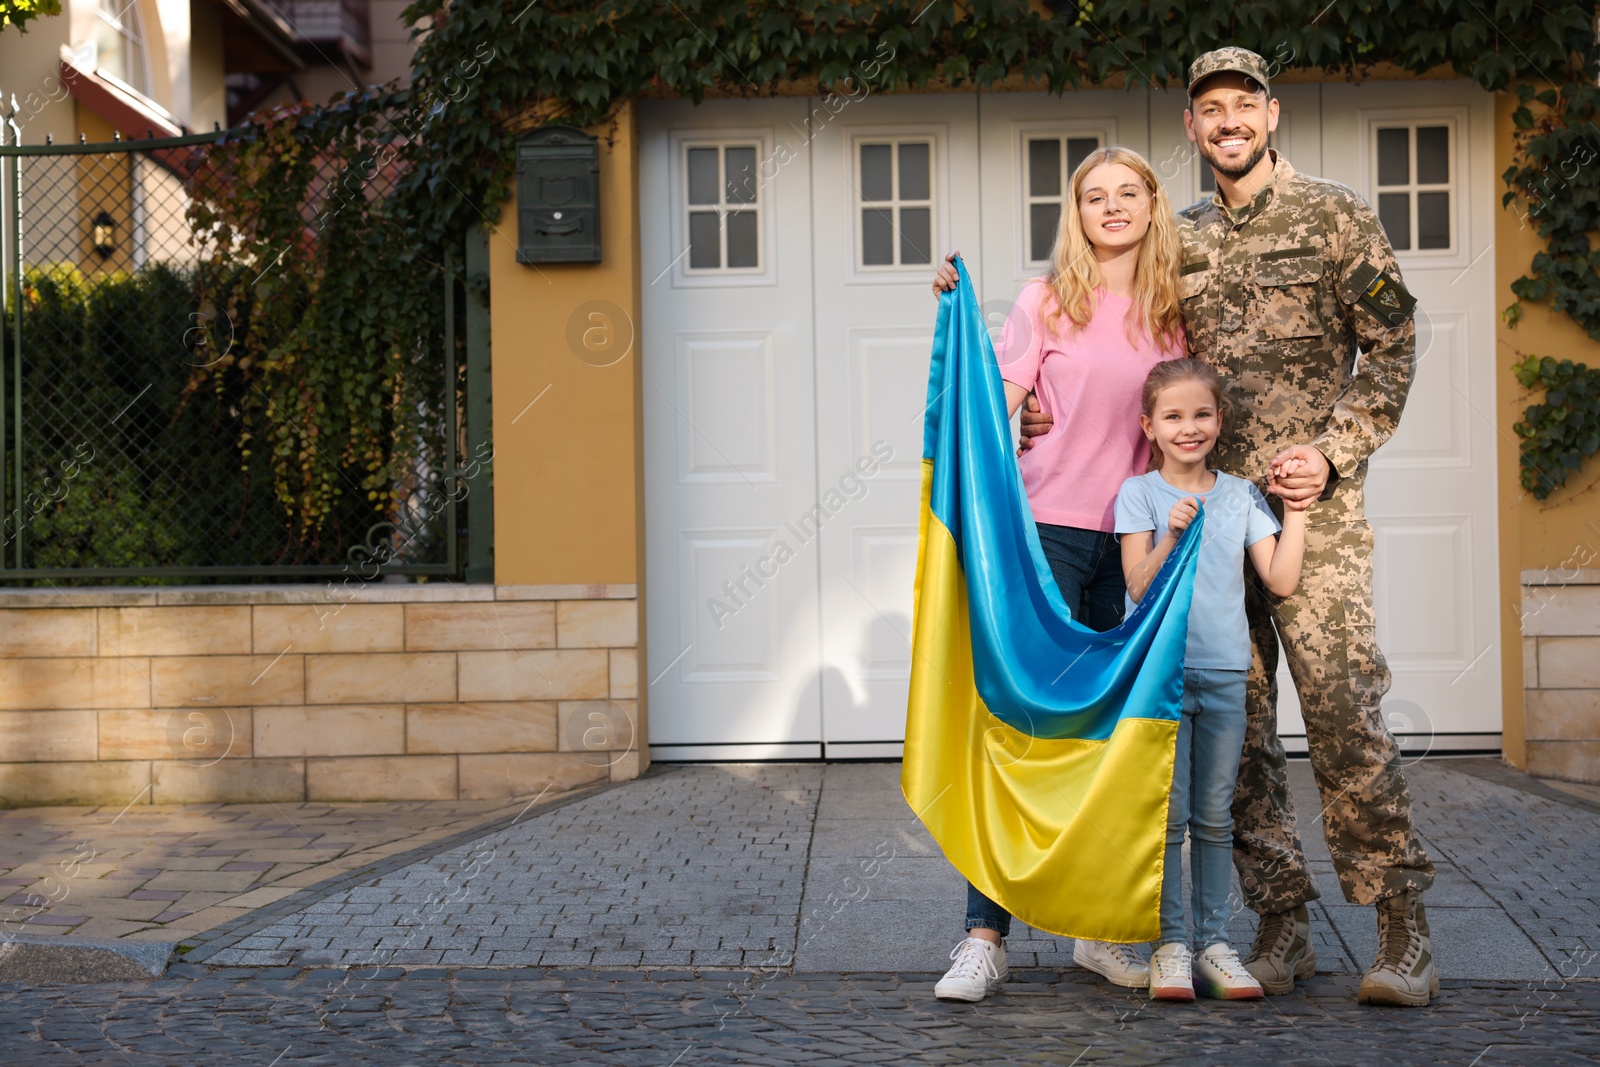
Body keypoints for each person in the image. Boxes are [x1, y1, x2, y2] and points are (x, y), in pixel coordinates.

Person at [1019, 47, 1438, 1007]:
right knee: (1231, 726)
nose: (1229, 120)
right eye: (1211, 108)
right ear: (1193, 129)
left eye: (1244, 103)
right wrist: (1034, 401)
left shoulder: (1336, 216)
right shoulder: (1181, 238)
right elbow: (1106, 332)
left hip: (1304, 513)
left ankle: (1402, 928)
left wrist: (1332, 451)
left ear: (1273, 114)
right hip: (1197, 513)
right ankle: (1279, 920)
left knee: (1341, 710)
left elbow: (1394, 344)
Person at [928, 146, 1184, 1003]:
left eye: (1127, 193)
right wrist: (958, 323)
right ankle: (983, 935)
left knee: (1116, 736)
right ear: (1075, 214)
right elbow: (995, 403)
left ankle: (1100, 933)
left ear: (1152, 204)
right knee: (1024, 729)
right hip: (1045, 538)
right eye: (1093, 196)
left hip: (1135, 543)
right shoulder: (1045, 303)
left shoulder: (1175, 316)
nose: (1111, 207)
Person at [1116, 357, 1307, 1001]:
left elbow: (1278, 581)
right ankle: (1169, 947)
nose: (1188, 427)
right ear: (1150, 426)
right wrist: (1171, 536)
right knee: (1168, 820)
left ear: (1220, 420)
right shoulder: (1139, 494)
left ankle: (1214, 946)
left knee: (1215, 817)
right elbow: (1137, 589)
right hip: (1158, 680)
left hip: (1226, 674)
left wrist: (1298, 510)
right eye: (1173, 416)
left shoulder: (1242, 495)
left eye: (1201, 414)